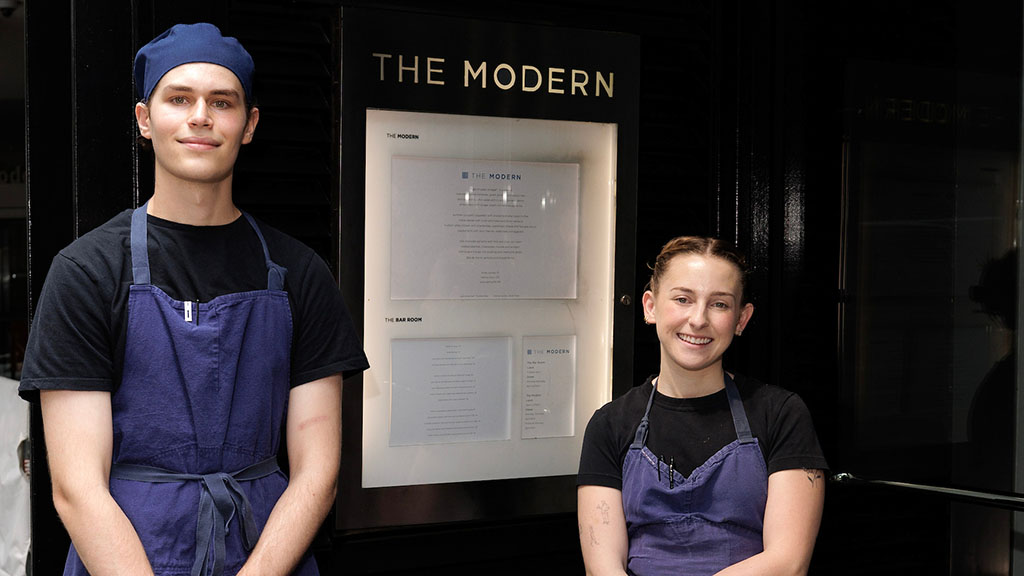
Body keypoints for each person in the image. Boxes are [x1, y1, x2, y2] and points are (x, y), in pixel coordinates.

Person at [19, 23, 369, 576]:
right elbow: (76, 489)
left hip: (267, 555)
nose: (200, 116)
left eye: (222, 102)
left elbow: (317, 474)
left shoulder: (300, 273)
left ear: (249, 124)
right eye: (178, 98)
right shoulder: (86, 273)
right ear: (143, 119)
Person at [577, 236, 827, 575]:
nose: (698, 319)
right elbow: (602, 567)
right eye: (682, 299)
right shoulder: (610, 423)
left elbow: (787, 563)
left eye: (719, 304)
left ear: (742, 319)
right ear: (650, 306)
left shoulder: (780, 414)